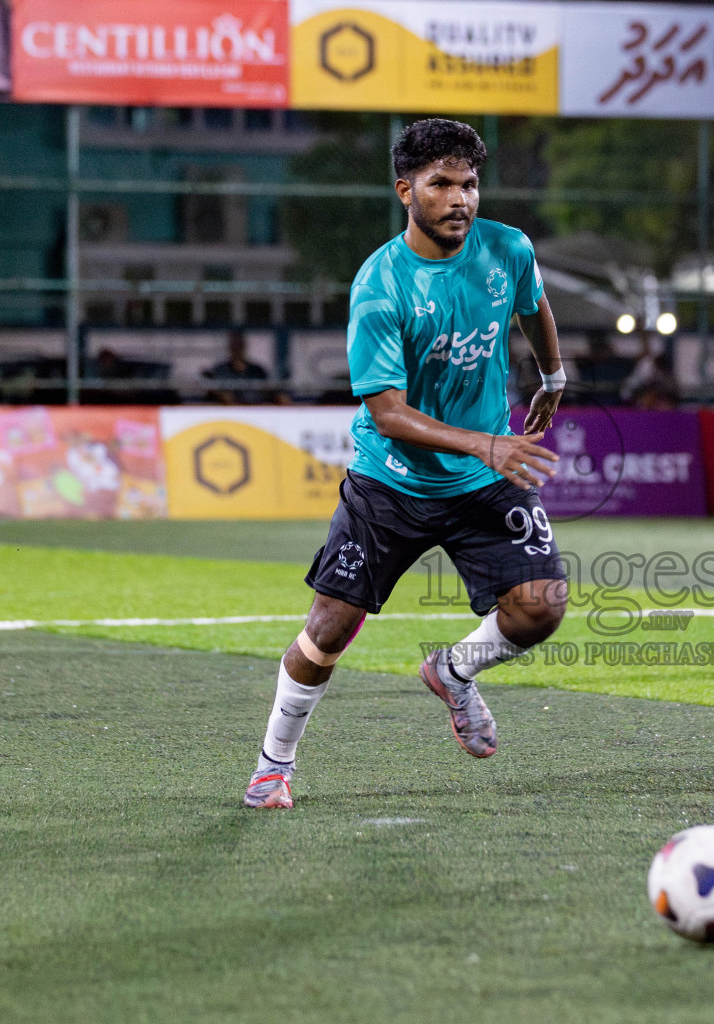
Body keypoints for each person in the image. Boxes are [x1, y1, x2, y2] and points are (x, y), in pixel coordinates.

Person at [243, 119, 570, 809]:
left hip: (482, 481)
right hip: (391, 481)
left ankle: (455, 671)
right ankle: (274, 764)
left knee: (541, 607)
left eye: (470, 184)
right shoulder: (380, 285)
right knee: (328, 628)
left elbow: (533, 306)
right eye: (441, 184)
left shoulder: (506, 249)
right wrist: (487, 443)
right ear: (406, 191)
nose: (460, 198)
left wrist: (554, 373)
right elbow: (389, 413)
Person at [204, 330, 274, 404]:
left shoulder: (258, 371)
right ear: (230, 347)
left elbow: (268, 391)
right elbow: (210, 391)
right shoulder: (220, 370)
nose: (237, 348)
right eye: (234, 345)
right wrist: (221, 395)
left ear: (244, 346)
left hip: (255, 410)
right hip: (228, 411)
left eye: (239, 345)